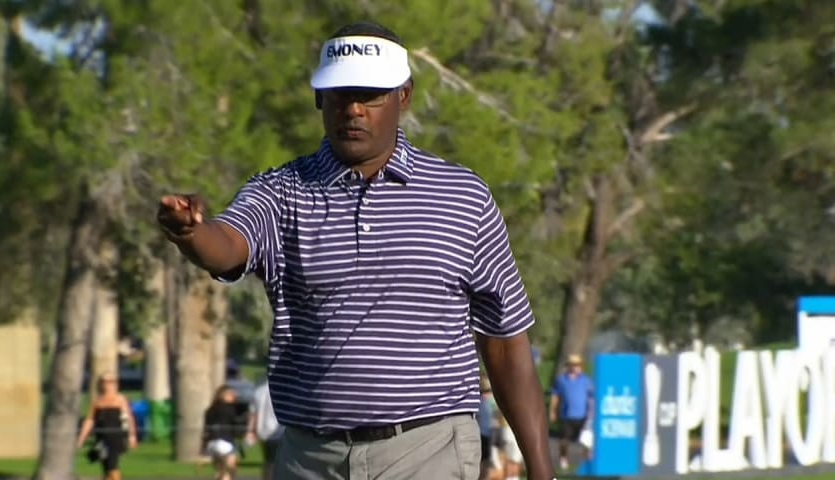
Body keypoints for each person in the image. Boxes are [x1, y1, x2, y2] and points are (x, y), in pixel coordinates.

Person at [156, 20, 553, 480]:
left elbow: (505, 344)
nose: (355, 110)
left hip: (427, 450)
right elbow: (226, 246)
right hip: (311, 457)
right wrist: (191, 233)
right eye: (341, 95)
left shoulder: (462, 197)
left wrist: (543, 472)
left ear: (403, 95)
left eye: (372, 95)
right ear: (319, 98)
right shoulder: (281, 193)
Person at [76, 372, 138, 480]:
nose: (109, 384)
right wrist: (81, 438)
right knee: (105, 467)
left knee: (112, 467)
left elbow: (128, 418)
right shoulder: (97, 401)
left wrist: (132, 436)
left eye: (112, 381)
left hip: (116, 437)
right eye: (106, 381)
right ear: (101, 384)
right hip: (102, 439)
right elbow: (89, 420)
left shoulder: (120, 399)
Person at [549, 353, 594, 471]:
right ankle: (563, 458)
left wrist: (592, 413)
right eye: (573, 365)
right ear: (568, 366)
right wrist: (553, 411)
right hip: (567, 414)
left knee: (587, 440)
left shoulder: (586, 380)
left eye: (578, 365)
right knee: (564, 440)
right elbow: (555, 396)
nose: (575, 367)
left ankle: (587, 460)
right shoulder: (562, 380)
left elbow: (591, 397)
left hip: (583, 415)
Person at [246, 379, 284, 480]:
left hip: (264, 431)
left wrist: (251, 431)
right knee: (278, 462)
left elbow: (253, 414)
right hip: (280, 431)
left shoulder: (259, 391)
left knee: (269, 461)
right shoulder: (283, 390)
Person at [203, 385, 242, 480]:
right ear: (223, 396)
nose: (234, 395)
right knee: (230, 469)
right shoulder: (229, 409)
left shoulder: (210, 410)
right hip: (225, 443)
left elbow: (206, 429)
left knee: (220, 470)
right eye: (230, 394)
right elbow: (236, 426)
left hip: (211, 444)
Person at [477, 375, 497, 480]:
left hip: (484, 434)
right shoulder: (488, 401)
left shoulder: (481, 401)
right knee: (486, 463)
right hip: (487, 434)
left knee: (483, 462)